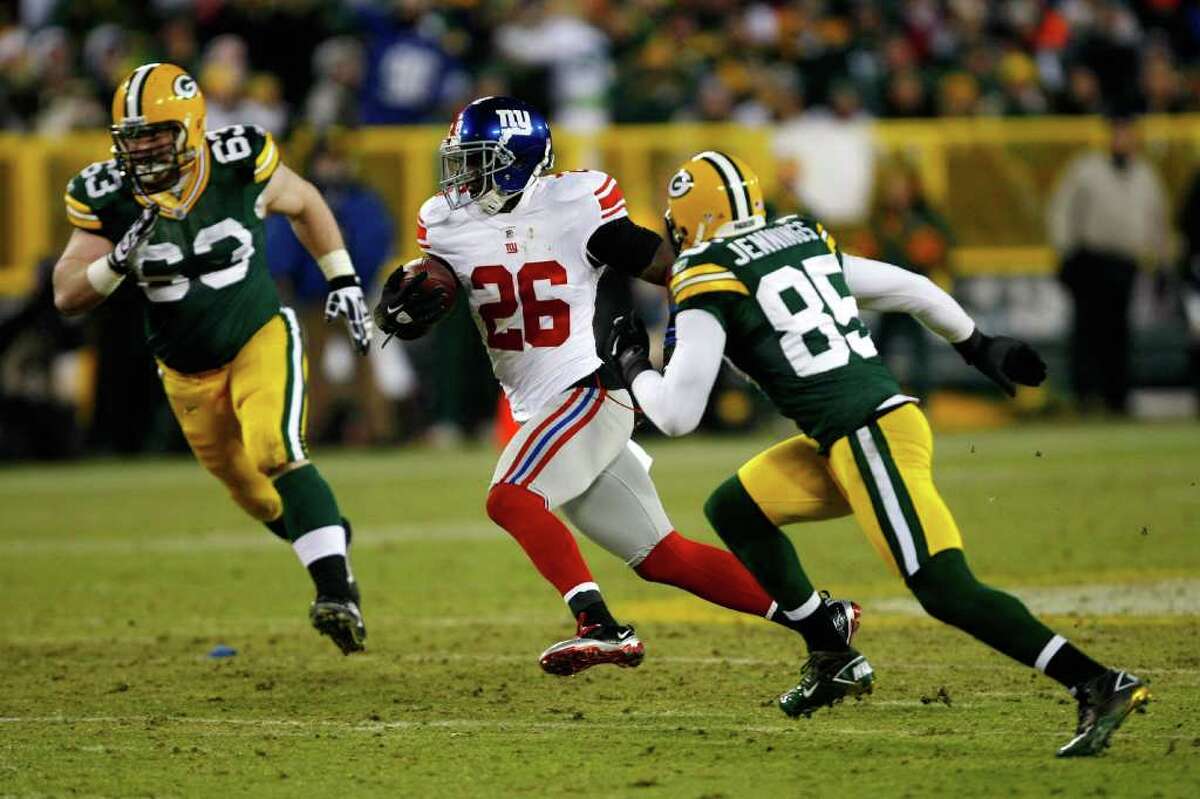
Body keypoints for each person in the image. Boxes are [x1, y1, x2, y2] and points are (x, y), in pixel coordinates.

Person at [608, 151, 1148, 758]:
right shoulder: (800, 238)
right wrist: (976, 344)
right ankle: (830, 650)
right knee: (735, 508)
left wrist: (632, 369)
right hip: (846, 438)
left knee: (944, 587)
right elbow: (911, 288)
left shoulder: (707, 271)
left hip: (867, 435)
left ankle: (1098, 682)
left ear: (685, 219)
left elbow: (677, 416)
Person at [374, 97, 861, 677]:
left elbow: (665, 265)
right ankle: (821, 623)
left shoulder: (575, 203)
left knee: (510, 497)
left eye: (477, 161)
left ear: (514, 161)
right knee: (663, 556)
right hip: (541, 404)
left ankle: (601, 627)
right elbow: (433, 295)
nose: (464, 176)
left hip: (587, 386)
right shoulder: (446, 221)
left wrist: (693, 313)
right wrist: (395, 311)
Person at [52, 63, 372, 655]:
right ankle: (328, 539)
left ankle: (335, 591)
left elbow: (304, 201)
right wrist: (114, 262)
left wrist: (343, 278)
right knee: (252, 494)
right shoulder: (106, 194)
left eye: (155, 135)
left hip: (258, 334)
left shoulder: (238, 158)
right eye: (132, 138)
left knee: (275, 448)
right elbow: (68, 294)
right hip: (184, 371)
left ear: (192, 127)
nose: (142, 150)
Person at [1047, 112, 1171, 414]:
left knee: (1118, 333)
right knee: (1087, 331)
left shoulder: (1144, 174)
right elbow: (1061, 210)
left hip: (1126, 262)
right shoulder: (1087, 168)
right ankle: (1086, 397)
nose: (1122, 140)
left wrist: (1163, 259)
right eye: (1118, 133)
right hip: (1090, 259)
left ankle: (1117, 398)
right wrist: (1064, 251)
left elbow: (1157, 220)